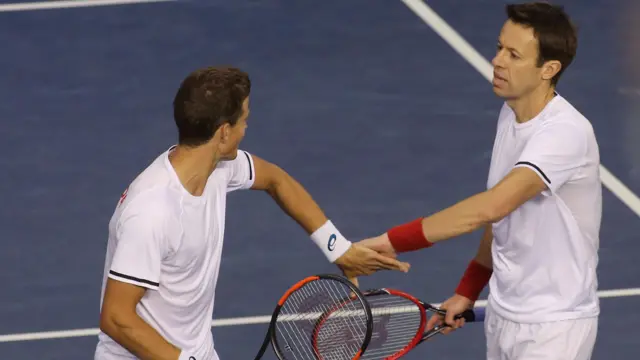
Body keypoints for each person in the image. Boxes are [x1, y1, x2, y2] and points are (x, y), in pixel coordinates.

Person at [94, 66, 410, 360]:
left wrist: (338, 248)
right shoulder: (152, 211)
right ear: (223, 133)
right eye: (243, 120)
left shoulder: (218, 167)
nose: (246, 128)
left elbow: (276, 180)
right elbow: (116, 318)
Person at [358, 2, 601, 359]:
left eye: (514, 55)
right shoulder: (511, 113)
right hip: (504, 317)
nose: (498, 61)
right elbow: (502, 216)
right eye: (500, 47)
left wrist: (393, 241)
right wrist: (469, 289)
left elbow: (491, 206)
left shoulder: (566, 133)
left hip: (554, 328)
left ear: (549, 68)